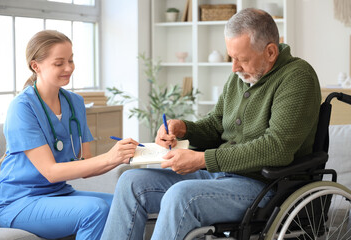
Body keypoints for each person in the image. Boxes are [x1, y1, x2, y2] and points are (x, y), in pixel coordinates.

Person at [101, 8, 321, 240]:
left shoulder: (297, 77)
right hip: (220, 176)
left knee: (181, 195)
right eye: (231, 58)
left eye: (242, 59)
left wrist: (203, 159)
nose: (234, 68)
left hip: (265, 187)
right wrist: (182, 128)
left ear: (270, 51)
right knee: (131, 181)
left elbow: (277, 148)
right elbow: (217, 125)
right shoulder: (241, 76)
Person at [0, 30, 140, 239]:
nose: (69, 68)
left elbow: (86, 165)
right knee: (95, 209)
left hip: (58, 194)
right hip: (19, 202)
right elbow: (51, 172)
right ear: (36, 66)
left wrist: (123, 155)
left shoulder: (75, 103)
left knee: (127, 207)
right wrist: (110, 156)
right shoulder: (22, 107)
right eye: (59, 63)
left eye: (71, 60)